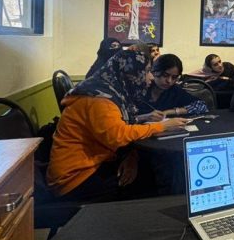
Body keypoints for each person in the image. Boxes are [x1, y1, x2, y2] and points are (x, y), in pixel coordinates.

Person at [47, 46, 188, 201]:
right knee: (151, 179)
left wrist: (131, 156)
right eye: (147, 71)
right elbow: (117, 136)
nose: (150, 78)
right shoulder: (100, 100)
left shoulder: (106, 90)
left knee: (147, 169)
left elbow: (116, 128)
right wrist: (163, 126)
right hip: (75, 179)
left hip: (92, 164)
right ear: (131, 73)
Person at [139, 54, 210, 118]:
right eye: (165, 75)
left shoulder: (174, 90)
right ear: (154, 71)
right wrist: (144, 117)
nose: (169, 81)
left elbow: (201, 106)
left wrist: (169, 112)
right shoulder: (140, 88)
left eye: (174, 77)